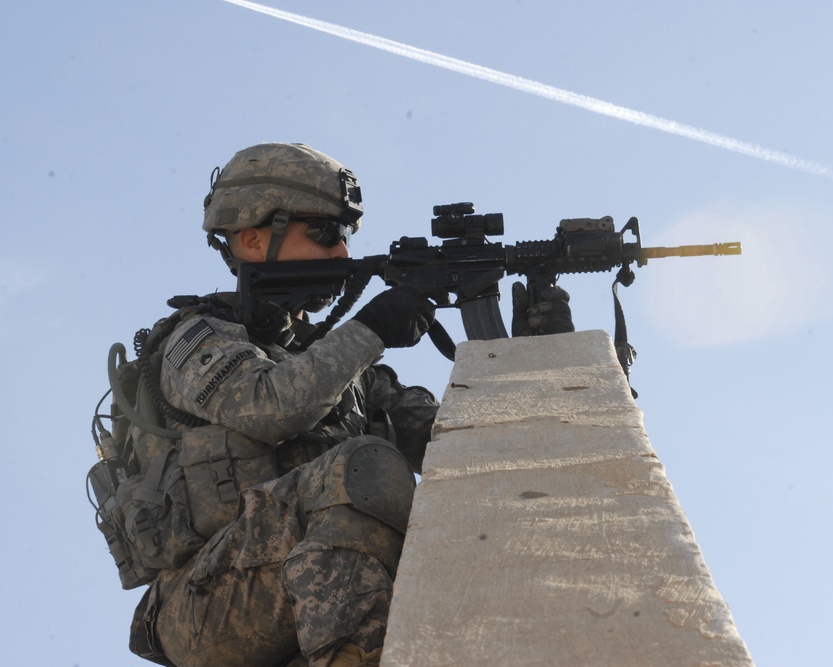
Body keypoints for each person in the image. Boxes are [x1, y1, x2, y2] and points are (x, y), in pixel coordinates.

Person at [124, 142, 572, 667]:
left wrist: (535, 366)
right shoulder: (193, 341)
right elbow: (271, 407)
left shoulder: (343, 369)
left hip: (320, 593)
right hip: (208, 605)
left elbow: (468, 456)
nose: (342, 253)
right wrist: (373, 327)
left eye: (347, 236)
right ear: (250, 238)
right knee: (363, 467)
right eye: (327, 234)